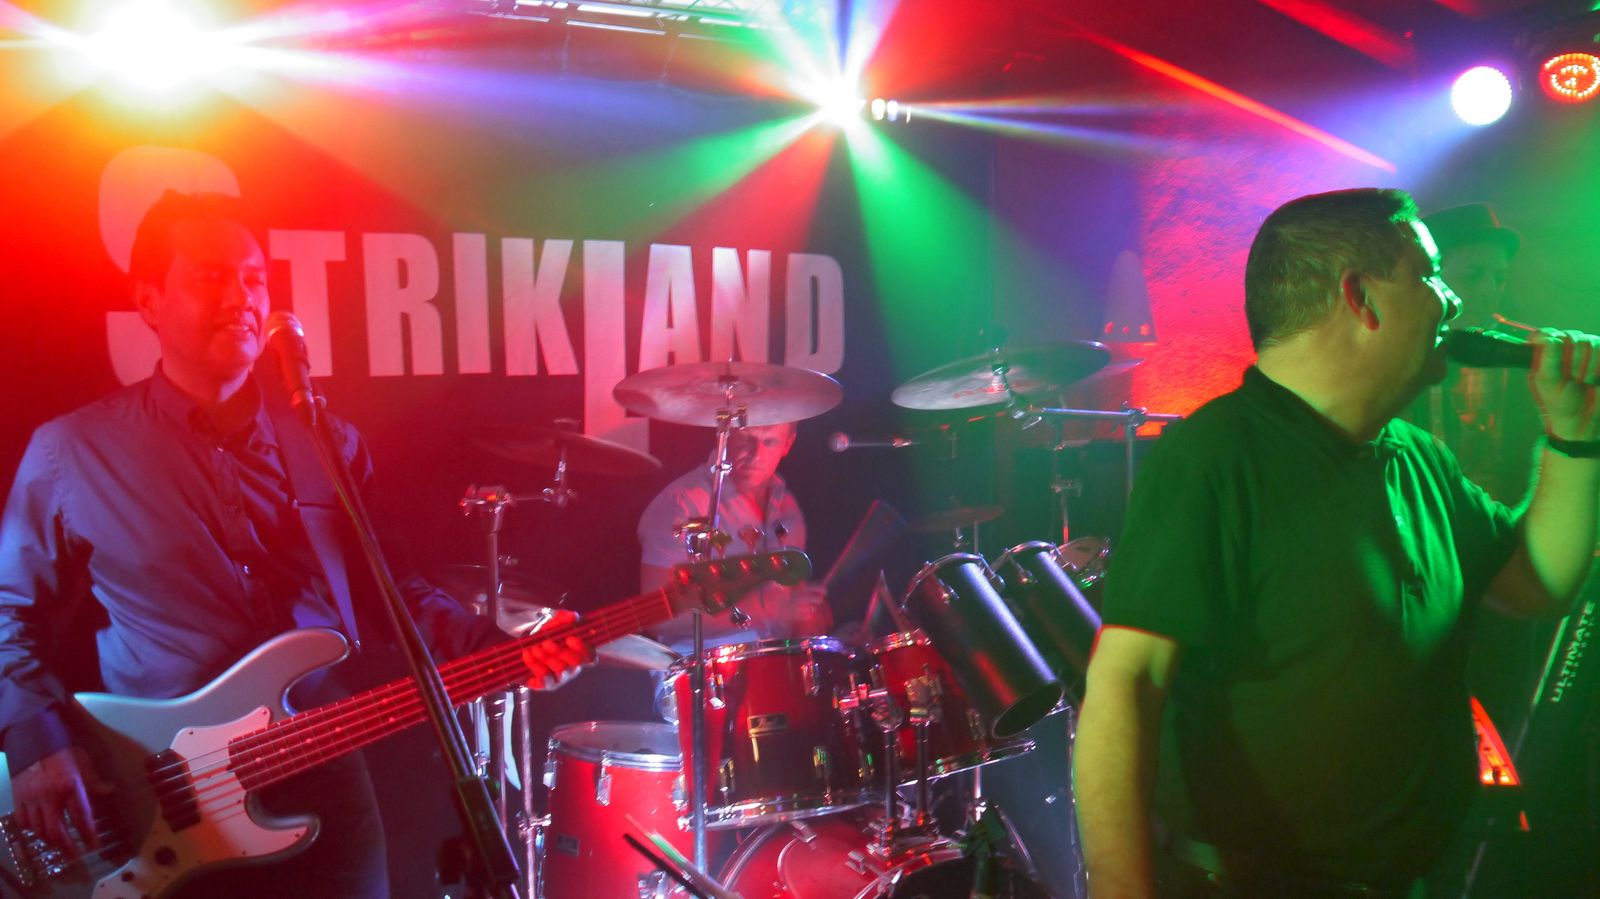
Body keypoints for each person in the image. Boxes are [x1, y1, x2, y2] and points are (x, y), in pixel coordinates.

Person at [0, 190, 592, 898]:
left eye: (254, 279)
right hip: (160, 795)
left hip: (321, 765)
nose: (242, 298)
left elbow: (393, 594)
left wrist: (501, 649)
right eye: (212, 277)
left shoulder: (323, 442)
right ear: (149, 301)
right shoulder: (73, 453)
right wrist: (34, 744)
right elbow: (7, 612)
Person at [1073, 188, 1599, 898]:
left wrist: (1574, 436)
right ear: (1361, 297)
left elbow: (1539, 584)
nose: (1452, 302)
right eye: (1430, 275)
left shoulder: (1418, 455)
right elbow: (1127, 683)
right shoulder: (1216, 456)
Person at [638, 421, 832, 649]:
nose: (756, 454)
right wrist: (769, 612)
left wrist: (807, 619)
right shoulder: (682, 504)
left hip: (777, 658)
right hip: (701, 662)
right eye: (745, 438)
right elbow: (659, 618)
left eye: (769, 442)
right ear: (725, 436)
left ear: (788, 444)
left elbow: (792, 597)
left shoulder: (787, 507)